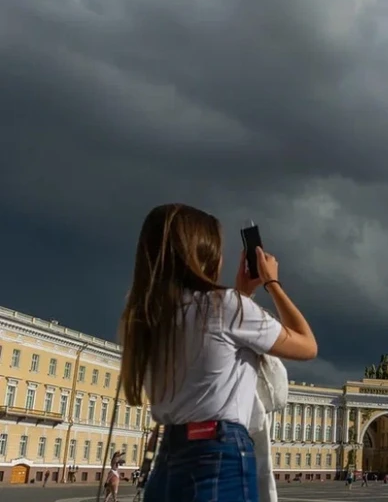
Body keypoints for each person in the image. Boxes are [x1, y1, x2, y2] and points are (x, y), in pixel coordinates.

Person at [119, 204, 318, 502]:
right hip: (218, 453)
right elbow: (306, 345)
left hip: (169, 454)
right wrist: (271, 283)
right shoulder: (225, 306)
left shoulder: (143, 317)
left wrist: (243, 296)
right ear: (206, 254)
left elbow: (214, 349)